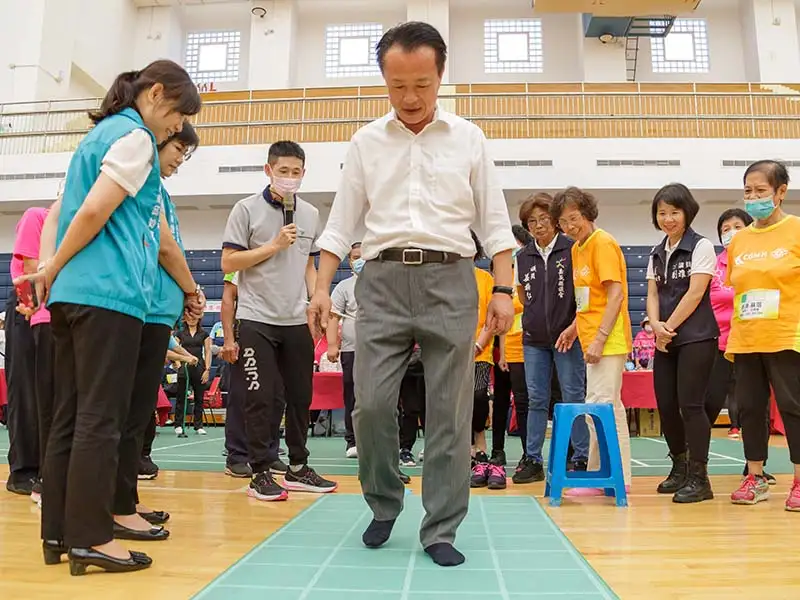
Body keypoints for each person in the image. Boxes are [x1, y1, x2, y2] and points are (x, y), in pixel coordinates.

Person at [308, 22, 515, 567]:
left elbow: (495, 223)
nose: (410, 98)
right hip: (381, 280)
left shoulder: (469, 138)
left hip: (451, 281)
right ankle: (383, 500)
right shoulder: (366, 142)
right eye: (398, 86)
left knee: (450, 412)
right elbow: (340, 223)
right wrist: (323, 286)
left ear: (441, 76)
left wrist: (503, 287)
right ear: (384, 80)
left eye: (422, 84)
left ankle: (441, 526)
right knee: (371, 405)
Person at [20, 60, 202, 575]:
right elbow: (96, 210)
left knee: (69, 418)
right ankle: (93, 538)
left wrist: (55, 269)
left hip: (75, 295)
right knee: (101, 419)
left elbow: (68, 209)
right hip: (111, 295)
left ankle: (57, 531)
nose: (175, 128)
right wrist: (51, 262)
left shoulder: (97, 136)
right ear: (158, 94)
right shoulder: (136, 138)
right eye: (178, 116)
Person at [221, 140, 336, 502]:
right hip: (256, 318)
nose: (289, 178)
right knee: (260, 397)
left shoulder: (311, 214)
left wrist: (317, 296)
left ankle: (298, 467)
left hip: (295, 318)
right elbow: (228, 263)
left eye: (295, 172)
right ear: (268, 170)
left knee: (301, 395)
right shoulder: (245, 209)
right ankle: (259, 472)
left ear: (304, 174)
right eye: (282, 171)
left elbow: (308, 262)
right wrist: (272, 245)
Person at [725, 160, 800, 510]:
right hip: (747, 338)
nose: (753, 198)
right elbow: (737, 289)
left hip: (787, 335)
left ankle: (799, 481)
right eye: (748, 191)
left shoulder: (796, 231)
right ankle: (755, 478)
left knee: (792, 408)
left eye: (761, 191)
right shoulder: (738, 240)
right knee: (750, 410)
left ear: (781, 193)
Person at [551, 187, 632, 496]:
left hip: (608, 339)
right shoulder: (577, 248)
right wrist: (574, 328)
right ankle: (608, 477)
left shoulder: (603, 243)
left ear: (587, 214)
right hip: (588, 337)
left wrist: (599, 339)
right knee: (605, 407)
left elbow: (616, 294)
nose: (570, 227)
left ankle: (610, 478)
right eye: (564, 222)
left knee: (602, 407)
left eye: (575, 219)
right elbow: (589, 301)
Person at [646, 183, 719, 503]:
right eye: (662, 213)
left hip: (697, 337)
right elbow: (651, 294)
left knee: (691, 405)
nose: (668, 218)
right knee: (666, 406)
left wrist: (668, 327)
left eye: (674, 212)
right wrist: (655, 326)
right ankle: (679, 467)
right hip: (665, 340)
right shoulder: (656, 251)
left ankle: (699, 477)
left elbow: (695, 293)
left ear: (687, 212)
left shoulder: (701, 246)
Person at [513, 193, 589, 485]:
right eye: (532, 221)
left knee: (572, 396)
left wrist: (573, 327)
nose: (539, 226)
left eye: (544, 219)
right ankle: (532, 459)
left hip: (568, 336)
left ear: (555, 221)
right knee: (536, 400)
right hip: (534, 340)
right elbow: (522, 296)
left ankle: (579, 457)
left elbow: (583, 294)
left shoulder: (573, 249)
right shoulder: (522, 257)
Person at [11, 205, 55, 507]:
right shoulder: (37, 216)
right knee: (25, 392)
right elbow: (30, 267)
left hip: (52, 311)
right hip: (26, 307)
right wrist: (34, 304)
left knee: (47, 394)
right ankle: (23, 470)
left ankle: (46, 467)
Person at [491, 225, 530, 471]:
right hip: (499, 345)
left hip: (525, 347)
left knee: (524, 401)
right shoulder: (497, 276)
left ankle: (529, 453)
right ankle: (497, 450)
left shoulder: (528, 275)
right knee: (500, 399)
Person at [469, 234, 504, 490]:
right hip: (448, 355)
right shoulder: (440, 280)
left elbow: (493, 318)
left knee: (479, 397)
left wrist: (478, 344)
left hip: (479, 353)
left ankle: (480, 448)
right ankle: (461, 454)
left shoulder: (486, 279)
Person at [326, 243, 363, 458]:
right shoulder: (343, 286)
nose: (360, 260)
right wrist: (333, 345)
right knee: (352, 396)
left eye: (363, 256)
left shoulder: (381, 284)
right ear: (349, 260)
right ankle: (352, 441)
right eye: (355, 257)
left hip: (377, 351)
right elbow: (333, 316)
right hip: (351, 350)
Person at [173, 313, 211, 435]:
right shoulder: (180, 333)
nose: (192, 319)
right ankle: (178, 424)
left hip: (199, 367)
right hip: (184, 367)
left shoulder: (204, 334)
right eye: (189, 317)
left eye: (194, 317)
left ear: (199, 318)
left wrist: (207, 369)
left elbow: (208, 351)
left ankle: (198, 425)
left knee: (199, 397)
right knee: (181, 397)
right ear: (185, 318)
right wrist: (178, 364)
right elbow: (174, 348)